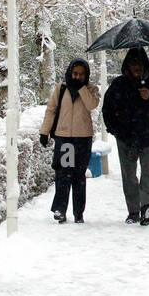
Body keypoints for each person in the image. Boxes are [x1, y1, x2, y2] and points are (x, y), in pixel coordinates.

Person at [103, 46, 149, 225]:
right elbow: (108, 109)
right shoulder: (118, 85)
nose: (138, 68)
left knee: (148, 172)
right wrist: (116, 130)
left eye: (141, 64)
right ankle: (133, 211)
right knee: (129, 175)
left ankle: (147, 208)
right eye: (134, 64)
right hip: (126, 137)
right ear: (127, 65)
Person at [40, 58, 100, 224]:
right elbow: (51, 110)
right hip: (65, 138)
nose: (77, 77)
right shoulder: (62, 88)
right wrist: (44, 132)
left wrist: (82, 88)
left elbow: (91, 105)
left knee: (78, 176)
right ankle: (60, 209)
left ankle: (78, 212)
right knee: (64, 174)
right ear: (69, 73)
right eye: (75, 73)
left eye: (81, 74)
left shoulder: (91, 89)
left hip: (82, 138)